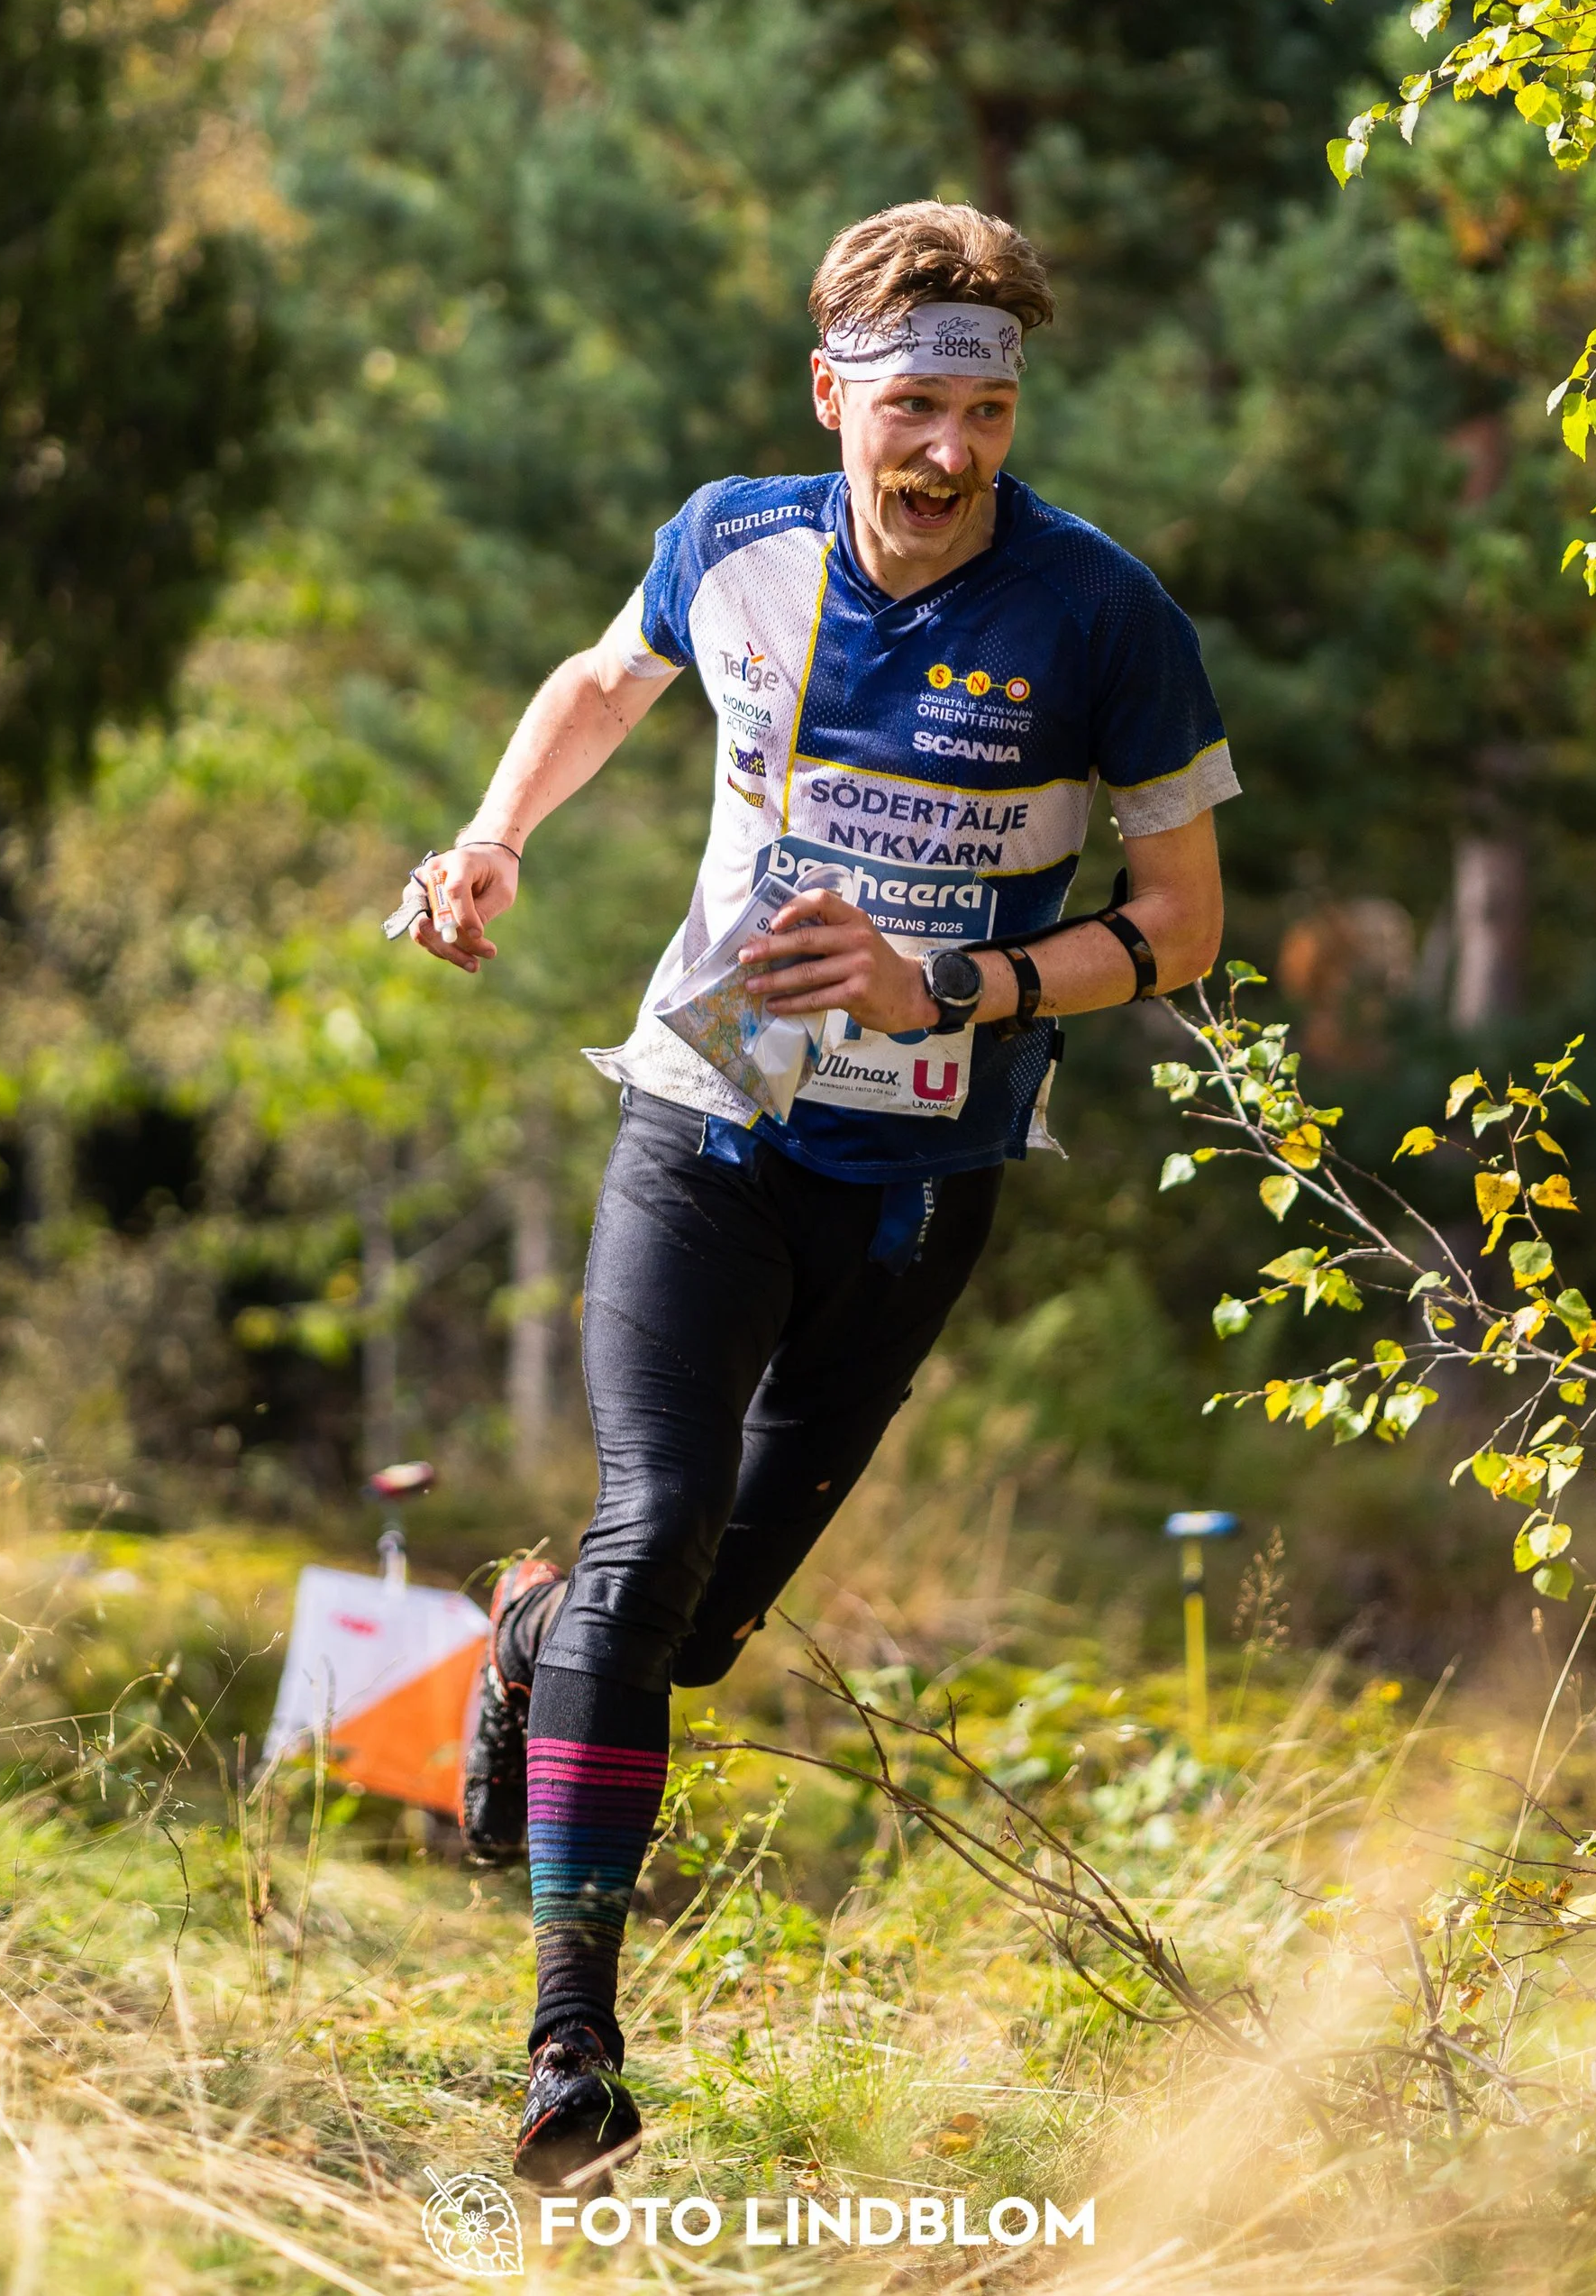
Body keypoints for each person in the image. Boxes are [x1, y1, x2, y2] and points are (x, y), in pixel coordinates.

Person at [401, 200, 1236, 2184]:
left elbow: (1184, 925)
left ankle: (527, 1635)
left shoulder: (1097, 615)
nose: (950, 450)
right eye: (915, 403)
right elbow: (607, 680)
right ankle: (566, 2042)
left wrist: (946, 979)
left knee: (679, 1625)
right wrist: (492, 834)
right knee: (655, 1519)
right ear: (830, 393)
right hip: (700, 1123)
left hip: (922, 1175)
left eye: (988, 408)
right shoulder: (731, 536)